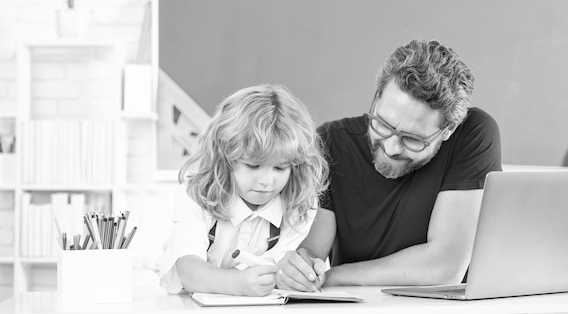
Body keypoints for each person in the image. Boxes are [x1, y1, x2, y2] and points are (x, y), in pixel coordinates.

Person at [276, 39, 502, 290]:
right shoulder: (332, 141)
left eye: (413, 139)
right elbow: (312, 255)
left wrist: (334, 276)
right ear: (377, 98)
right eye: (383, 124)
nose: (391, 148)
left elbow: (444, 266)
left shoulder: (473, 133)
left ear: (447, 130)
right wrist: (299, 270)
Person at [156, 84, 328, 296]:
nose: (267, 181)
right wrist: (237, 283)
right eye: (253, 166)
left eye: (280, 168)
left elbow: (279, 271)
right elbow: (187, 269)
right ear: (226, 156)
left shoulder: (299, 205)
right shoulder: (196, 194)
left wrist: (298, 275)